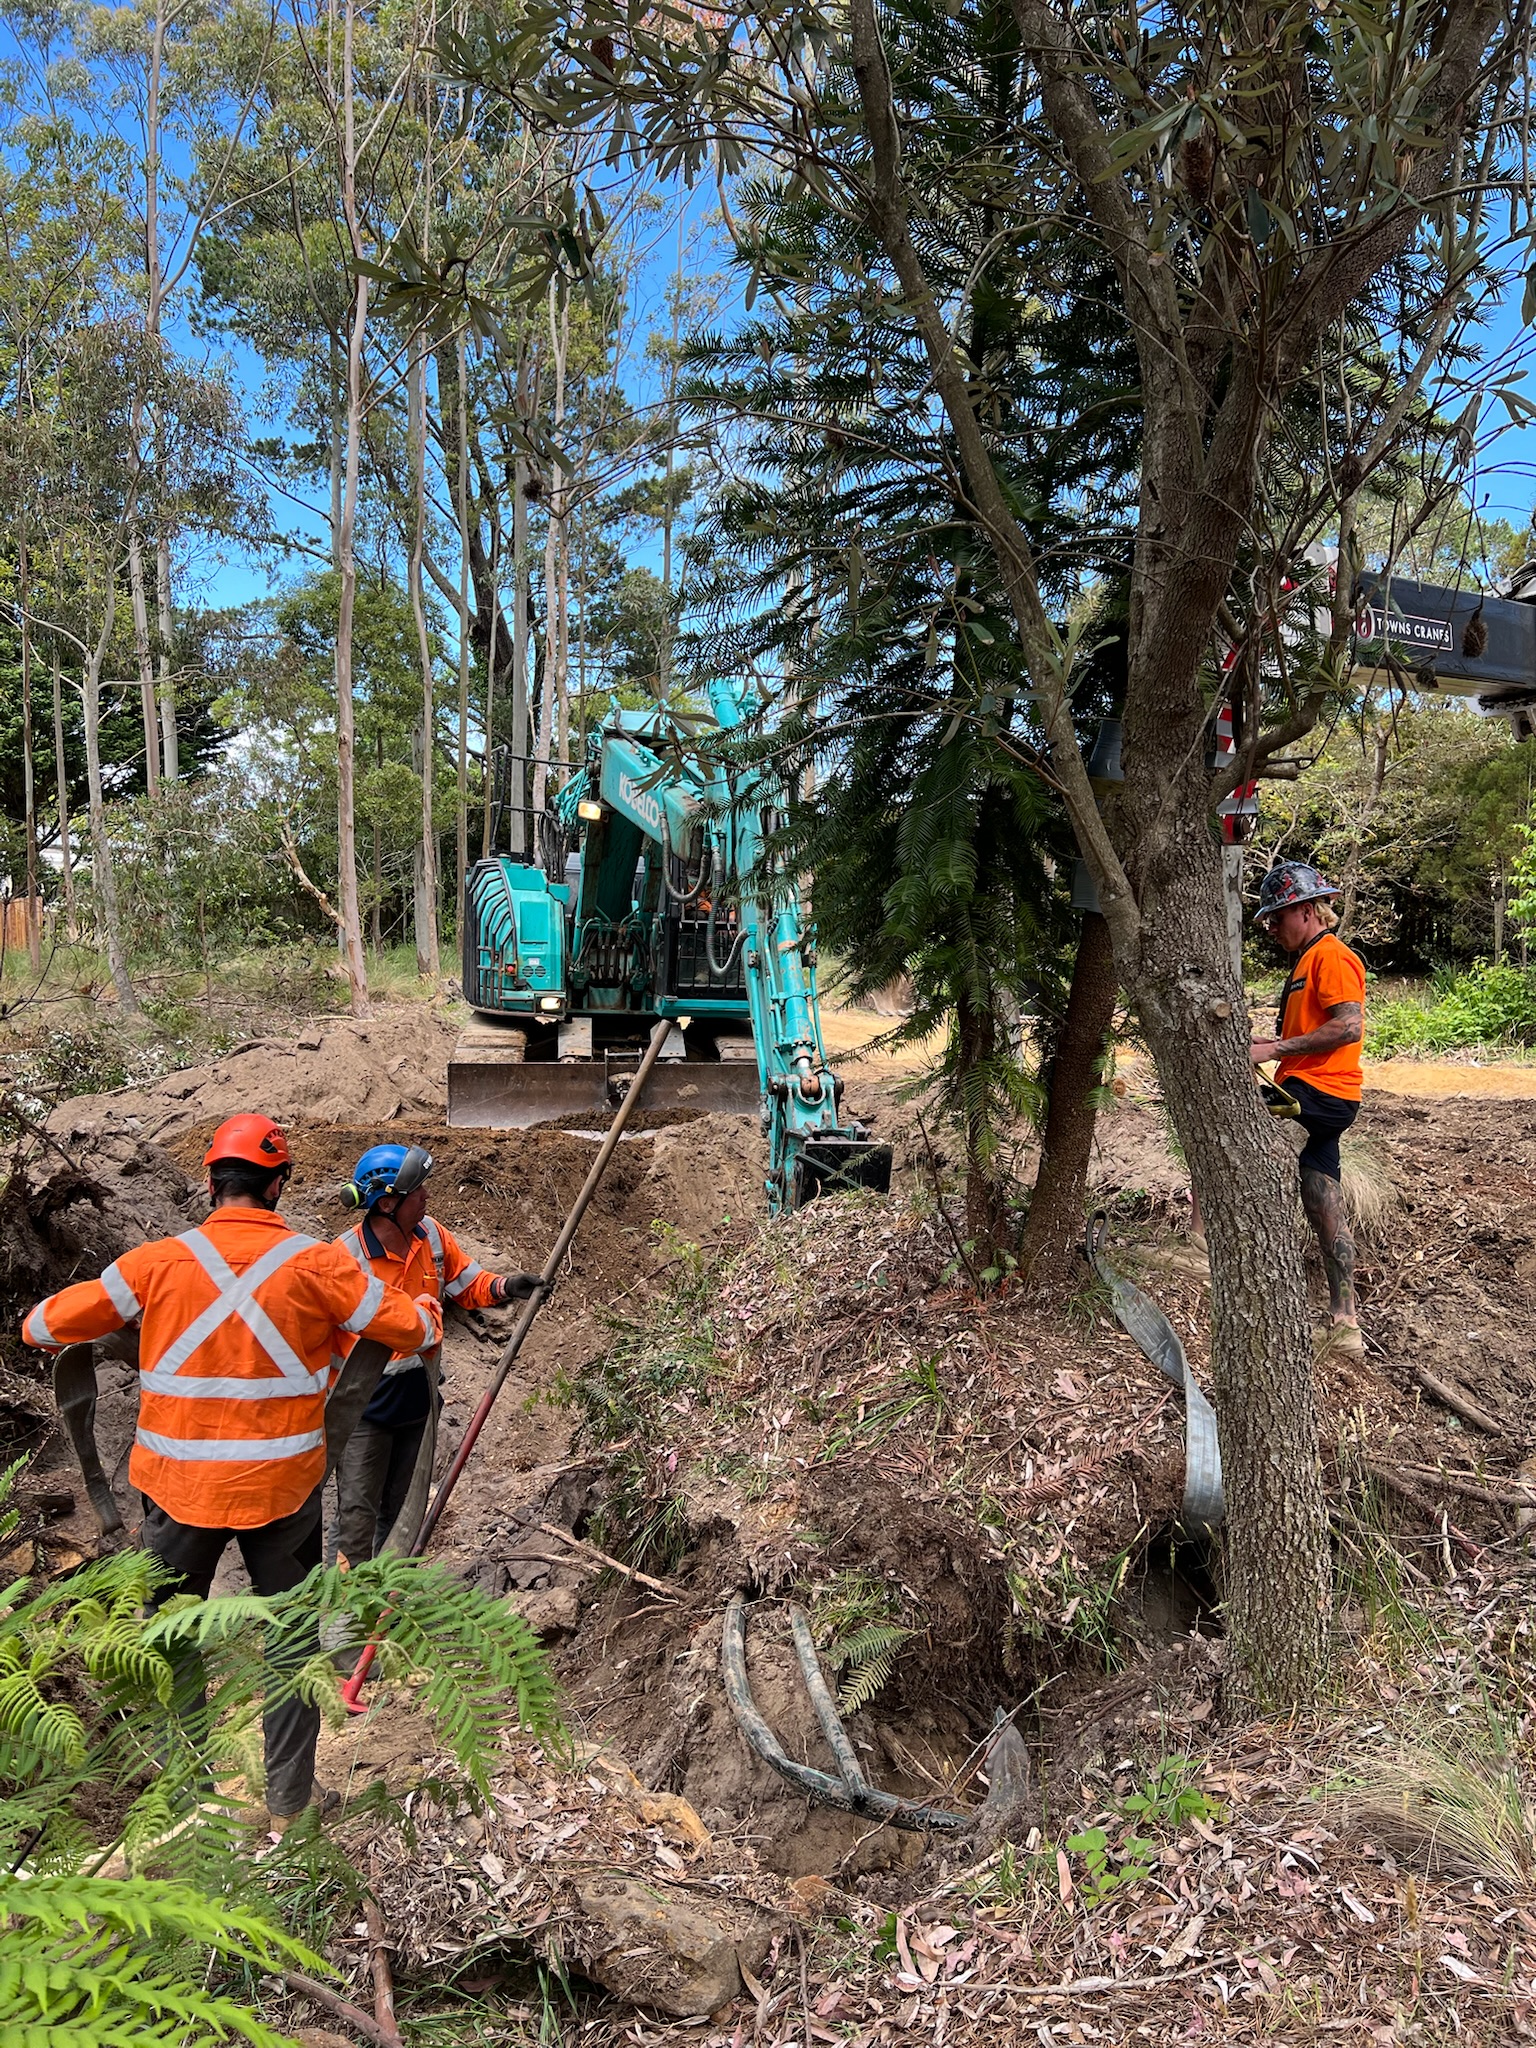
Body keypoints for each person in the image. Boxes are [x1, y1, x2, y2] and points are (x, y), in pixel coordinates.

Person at [21, 1112, 441, 1830]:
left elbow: (40, 1327)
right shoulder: (320, 1264)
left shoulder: (154, 1263)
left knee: (174, 1643)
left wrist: (137, 1331)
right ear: (277, 1185)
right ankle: (289, 1806)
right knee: (289, 1646)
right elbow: (411, 1329)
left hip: (177, 1495)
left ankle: (191, 1812)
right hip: (283, 1494)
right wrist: (420, 1308)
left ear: (214, 1183)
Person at [331, 1143, 542, 1568]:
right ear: (387, 1203)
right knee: (355, 1518)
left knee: (403, 1518)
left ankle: (390, 1611)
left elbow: (466, 1283)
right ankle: (346, 1621)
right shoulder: (344, 1258)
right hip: (364, 1413)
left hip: (419, 1402)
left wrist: (505, 1287)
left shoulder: (432, 1236)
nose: (427, 1196)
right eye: (417, 1191)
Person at [1247, 861, 1367, 1359]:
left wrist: (1275, 1051)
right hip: (1321, 1093)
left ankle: (1198, 1245)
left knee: (1232, 1130)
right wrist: (1273, 1043)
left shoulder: (1331, 957)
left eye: (1277, 917)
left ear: (1303, 909)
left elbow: (1349, 1027)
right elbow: (1313, 1034)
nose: (1272, 928)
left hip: (1319, 1092)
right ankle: (1346, 1322)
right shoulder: (1306, 961)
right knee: (1322, 1196)